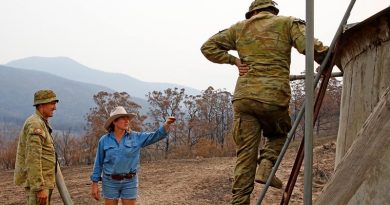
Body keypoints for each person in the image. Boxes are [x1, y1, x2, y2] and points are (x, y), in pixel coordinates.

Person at [200, 0, 329, 204]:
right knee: (279, 133)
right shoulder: (288, 23)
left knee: (245, 157)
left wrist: (234, 61)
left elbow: (208, 47)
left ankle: (239, 202)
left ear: (252, 12)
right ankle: (267, 163)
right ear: (273, 10)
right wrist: (338, 60)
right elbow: (311, 48)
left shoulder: (238, 28)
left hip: (244, 98)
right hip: (273, 96)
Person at [90, 106, 176, 205]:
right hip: (110, 182)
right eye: (123, 118)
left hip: (130, 181)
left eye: (128, 118)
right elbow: (98, 163)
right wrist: (94, 184)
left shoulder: (136, 137)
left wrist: (167, 124)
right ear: (114, 121)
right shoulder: (104, 140)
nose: (127, 121)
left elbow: (154, 136)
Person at [14, 89, 59, 205]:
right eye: (52, 103)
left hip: (45, 182)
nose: (55, 107)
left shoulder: (41, 122)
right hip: (39, 185)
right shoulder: (35, 124)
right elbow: (33, 158)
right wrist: (39, 188)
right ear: (41, 105)